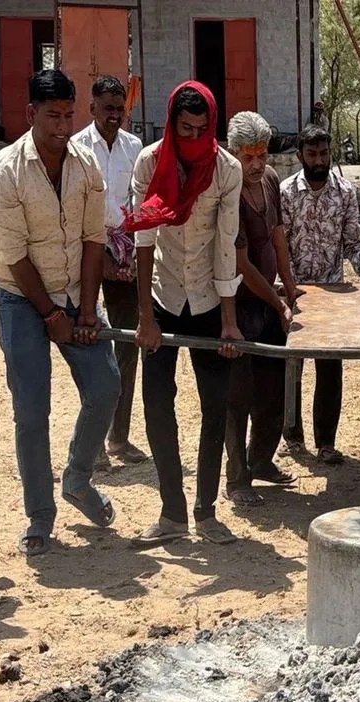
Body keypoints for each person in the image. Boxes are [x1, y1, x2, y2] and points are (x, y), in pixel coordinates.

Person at [0, 69, 121, 557]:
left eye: (68, 115)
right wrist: (50, 315)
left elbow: (93, 240)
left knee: (106, 387)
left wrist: (86, 312)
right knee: (31, 409)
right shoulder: (3, 171)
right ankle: (40, 515)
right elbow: (15, 255)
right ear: (31, 114)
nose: (63, 127)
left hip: (75, 292)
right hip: (19, 297)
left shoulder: (86, 166)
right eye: (52, 116)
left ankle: (78, 479)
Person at [128, 82, 244, 547]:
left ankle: (206, 510)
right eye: (185, 129)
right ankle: (172, 513)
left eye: (201, 129)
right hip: (163, 296)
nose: (193, 137)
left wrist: (229, 321)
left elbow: (226, 244)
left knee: (215, 406)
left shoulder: (227, 170)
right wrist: (145, 318)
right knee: (157, 405)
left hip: (210, 302)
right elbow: (143, 239)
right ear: (171, 124)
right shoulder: (149, 162)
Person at [279, 124, 360, 465]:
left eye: (324, 153)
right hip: (295, 293)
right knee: (290, 366)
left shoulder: (345, 192)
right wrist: (289, 288)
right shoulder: (286, 192)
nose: (319, 160)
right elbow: (281, 245)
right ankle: (291, 436)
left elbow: (353, 242)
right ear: (300, 156)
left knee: (329, 368)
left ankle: (326, 442)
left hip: (333, 294)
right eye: (312, 154)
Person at [71, 74, 147, 466]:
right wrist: (102, 260)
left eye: (120, 108)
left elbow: (138, 202)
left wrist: (129, 256)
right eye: (107, 108)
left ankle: (119, 437)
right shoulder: (76, 149)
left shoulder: (134, 147)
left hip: (124, 252)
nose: (114, 115)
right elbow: (73, 209)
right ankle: (92, 443)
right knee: (90, 342)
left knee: (128, 343)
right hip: (84, 251)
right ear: (92, 109)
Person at [223, 111, 297, 505]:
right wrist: (277, 302)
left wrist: (289, 287)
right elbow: (240, 263)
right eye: (247, 157)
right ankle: (237, 480)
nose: (256, 164)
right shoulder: (228, 189)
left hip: (269, 301)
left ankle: (262, 460)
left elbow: (276, 235)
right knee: (237, 396)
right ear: (233, 152)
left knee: (273, 389)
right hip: (238, 305)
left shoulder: (269, 179)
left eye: (261, 155)